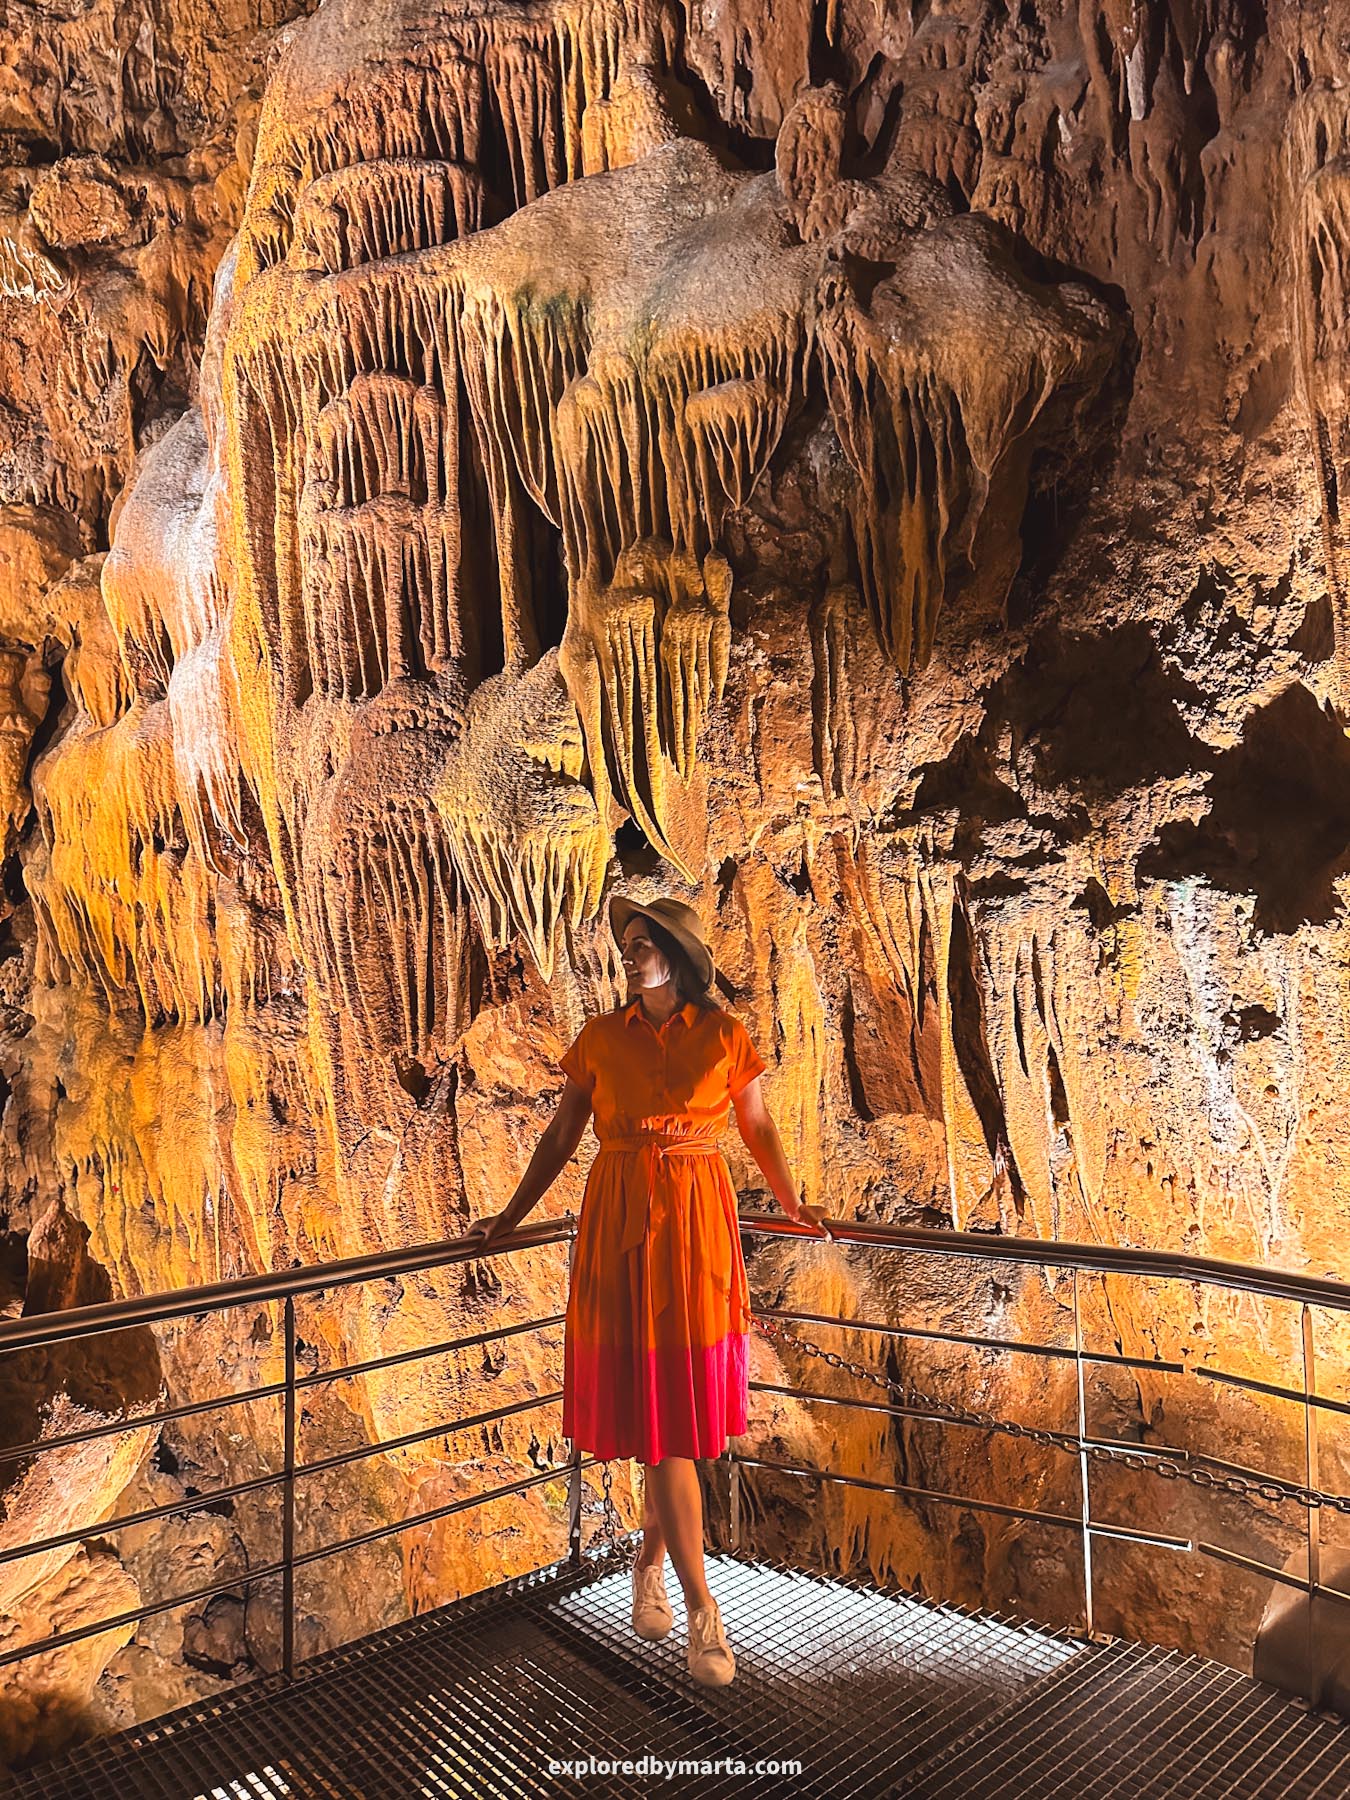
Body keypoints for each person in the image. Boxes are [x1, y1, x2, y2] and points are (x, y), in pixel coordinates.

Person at [463, 894, 831, 1687]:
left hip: (697, 1218)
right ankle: (704, 1611)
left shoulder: (725, 1036)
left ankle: (647, 1567)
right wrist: (507, 1217)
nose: (630, 955)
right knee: (664, 1426)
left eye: (643, 944)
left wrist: (792, 1202)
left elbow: (757, 1127)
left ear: (677, 955)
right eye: (626, 945)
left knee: (682, 1419)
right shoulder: (600, 1037)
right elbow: (563, 1135)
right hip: (622, 1217)